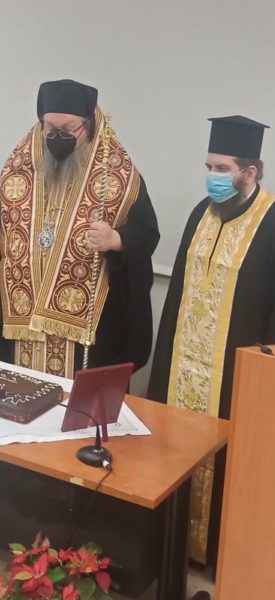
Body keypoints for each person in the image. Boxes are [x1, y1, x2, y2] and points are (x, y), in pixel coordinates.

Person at [148, 115, 275, 600]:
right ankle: (171, 547)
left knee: (231, 464)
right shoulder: (201, 212)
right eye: (208, 167)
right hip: (183, 368)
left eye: (222, 168)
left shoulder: (272, 222)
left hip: (235, 378)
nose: (212, 177)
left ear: (250, 171)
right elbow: (178, 294)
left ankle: (220, 553)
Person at [0, 79, 159, 377]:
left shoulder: (119, 178)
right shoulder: (18, 174)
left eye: (68, 130)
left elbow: (147, 234)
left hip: (88, 330)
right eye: (49, 129)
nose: (57, 137)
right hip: (22, 323)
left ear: (89, 125)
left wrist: (117, 240)